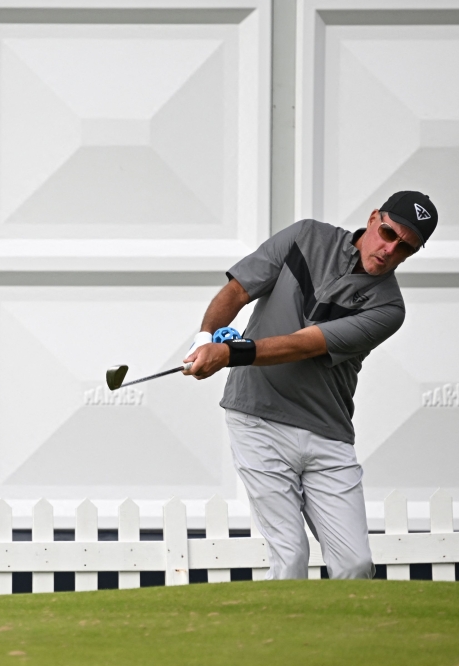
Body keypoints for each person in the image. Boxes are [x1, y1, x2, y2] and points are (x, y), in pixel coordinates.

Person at [183, 191, 438, 579]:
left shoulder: (389, 309)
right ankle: (281, 641)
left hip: (327, 433)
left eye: (405, 248)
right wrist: (205, 339)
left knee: (355, 565)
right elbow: (238, 290)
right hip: (257, 419)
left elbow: (305, 344)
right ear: (373, 218)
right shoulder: (307, 236)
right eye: (388, 233)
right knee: (290, 558)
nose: (389, 250)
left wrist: (230, 355)